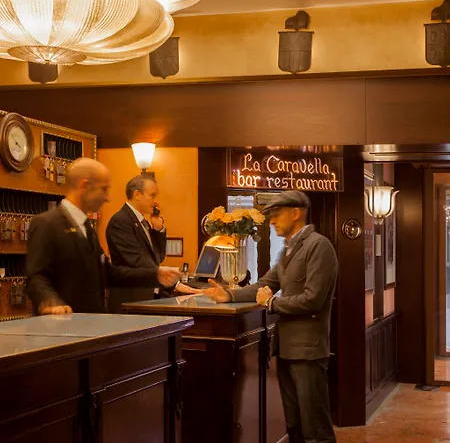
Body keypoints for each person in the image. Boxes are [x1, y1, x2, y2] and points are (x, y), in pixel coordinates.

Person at [203, 190, 338, 443]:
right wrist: (229, 295)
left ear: (295, 213)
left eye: (277, 214)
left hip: (308, 351)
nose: (272, 221)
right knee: (295, 426)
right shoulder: (287, 252)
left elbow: (313, 300)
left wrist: (272, 302)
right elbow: (264, 284)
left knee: (316, 429)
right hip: (286, 349)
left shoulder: (319, 246)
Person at [26, 158, 181, 315]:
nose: (107, 198)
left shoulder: (86, 227)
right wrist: (49, 301)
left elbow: (108, 273)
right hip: (61, 324)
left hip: (90, 322)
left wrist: (155, 275)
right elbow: (36, 277)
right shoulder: (46, 224)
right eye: (103, 189)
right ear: (85, 186)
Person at [106, 174, 198, 312]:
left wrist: (158, 229)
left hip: (147, 297)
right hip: (130, 300)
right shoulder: (121, 221)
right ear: (137, 195)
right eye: (152, 195)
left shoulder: (143, 223)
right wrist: (171, 282)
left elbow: (157, 257)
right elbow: (137, 260)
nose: (155, 202)